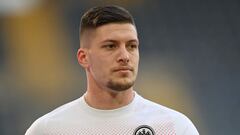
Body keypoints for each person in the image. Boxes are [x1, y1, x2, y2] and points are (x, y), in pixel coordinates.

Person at [25, 5, 199, 135]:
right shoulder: (48, 129)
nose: (124, 56)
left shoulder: (174, 126)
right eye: (110, 46)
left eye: (132, 46)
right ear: (84, 58)